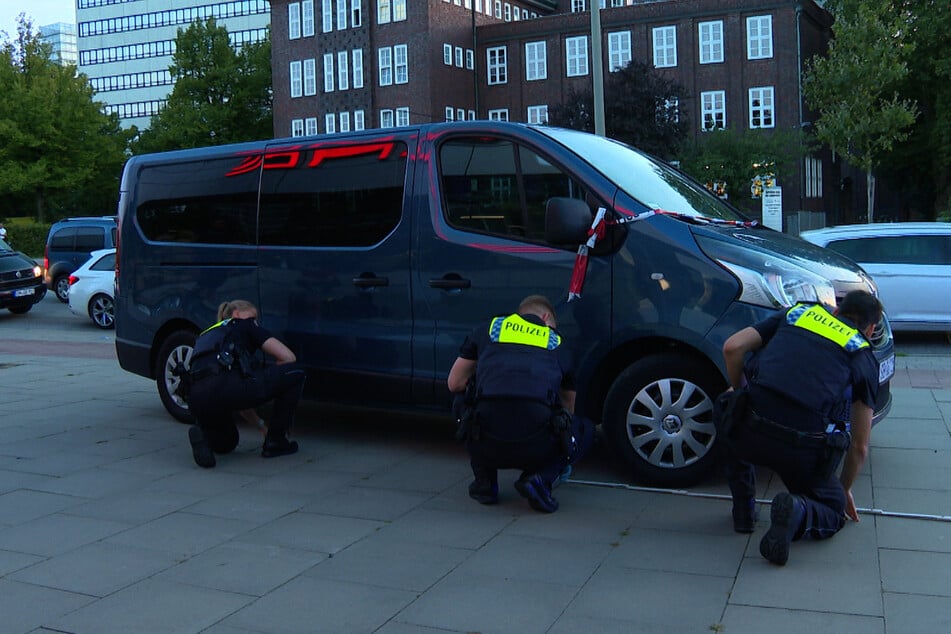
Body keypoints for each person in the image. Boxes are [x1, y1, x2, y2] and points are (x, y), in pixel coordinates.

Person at [717, 290, 883, 565]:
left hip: (749, 430)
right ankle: (798, 511)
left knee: (726, 405)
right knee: (832, 508)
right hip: (799, 451)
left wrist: (738, 394)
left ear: (836, 312)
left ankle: (743, 510)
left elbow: (732, 347)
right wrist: (843, 491)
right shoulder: (861, 354)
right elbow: (859, 446)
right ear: (871, 328)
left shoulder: (799, 313)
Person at [447, 295, 594, 513]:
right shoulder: (557, 342)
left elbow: (454, 383)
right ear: (545, 318)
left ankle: (484, 483)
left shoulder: (491, 328)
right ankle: (540, 479)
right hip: (536, 443)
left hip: (485, 438)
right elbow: (568, 408)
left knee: (463, 398)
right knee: (584, 428)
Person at [186, 299, 306, 468]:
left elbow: (240, 399)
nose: (256, 322)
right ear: (236, 314)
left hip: (197, 397)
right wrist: (272, 378)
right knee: (295, 373)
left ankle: (205, 438)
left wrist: (261, 426)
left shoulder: (208, 334)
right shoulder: (246, 325)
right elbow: (288, 357)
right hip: (228, 386)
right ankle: (276, 441)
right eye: (254, 317)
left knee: (228, 443)